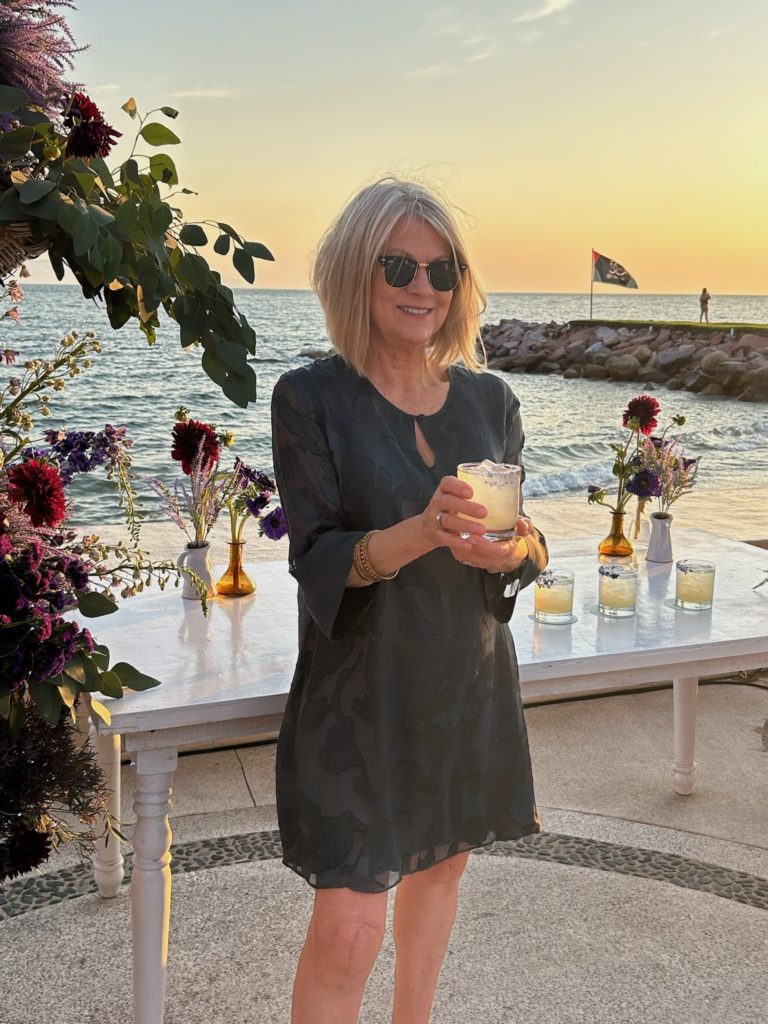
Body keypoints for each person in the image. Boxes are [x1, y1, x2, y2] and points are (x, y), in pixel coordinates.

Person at [270, 177, 548, 1024]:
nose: (422, 287)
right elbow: (318, 559)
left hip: (465, 683)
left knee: (442, 872)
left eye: (442, 270)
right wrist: (422, 531)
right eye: (399, 266)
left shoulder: (491, 399)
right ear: (356, 273)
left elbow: (528, 540)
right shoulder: (310, 397)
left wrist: (515, 547)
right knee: (351, 929)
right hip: (359, 697)